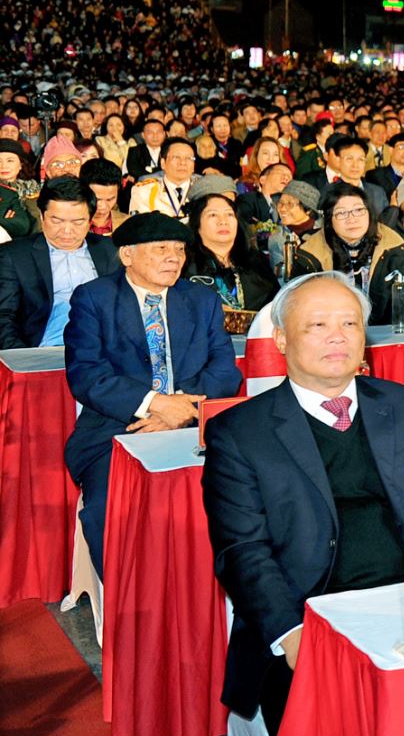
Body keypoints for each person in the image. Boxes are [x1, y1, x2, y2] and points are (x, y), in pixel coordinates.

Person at [201, 273, 404, 736]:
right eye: (317, 325)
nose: (338, 336)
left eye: (350, 324)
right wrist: (292, 635)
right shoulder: (240, 432)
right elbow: (243, 551)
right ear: (282, 339)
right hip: (309, 613)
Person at [64, 212, 242, 574]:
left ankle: (219, 600)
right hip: (116, 431)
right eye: (161, 248)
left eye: (178, 249)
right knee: (107, 510)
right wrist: (158, 405)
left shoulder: (201, 299)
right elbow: (87, 375)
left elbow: (225, 371)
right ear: (127, 255)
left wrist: (183, 412)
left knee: (247, 494)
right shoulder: (94, 299)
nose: (173, 257)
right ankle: (131, 606)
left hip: (196, 426)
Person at [0, 179, 120, 347]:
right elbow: (4, 316)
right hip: (44, 354)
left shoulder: (110, 250)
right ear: (42, 217)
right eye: (57, 221)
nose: (66, 231)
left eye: (78, 222)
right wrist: (22, 360)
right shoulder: (14, 256)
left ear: (90, 220)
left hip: (104, 352)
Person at [290, 184, 404, 325]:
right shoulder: (310, 253)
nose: (352, 219)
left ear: (369, 213)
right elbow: (297, 309)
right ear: (329, 220)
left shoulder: (393, 246)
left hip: (384, 334)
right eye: (342, 213)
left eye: (358, 210)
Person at [183, 192, 279, 315]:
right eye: (213, 215)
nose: (223, 221)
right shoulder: (186, 265)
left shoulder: (256, 263)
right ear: (197, 225)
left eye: (229, 214)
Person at [128, 137, 196, 216]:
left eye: (189, 158)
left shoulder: (204, 191)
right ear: (163, 163)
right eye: (176, 157)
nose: (183, 162)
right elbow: (139, 226)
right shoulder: (144, 191)